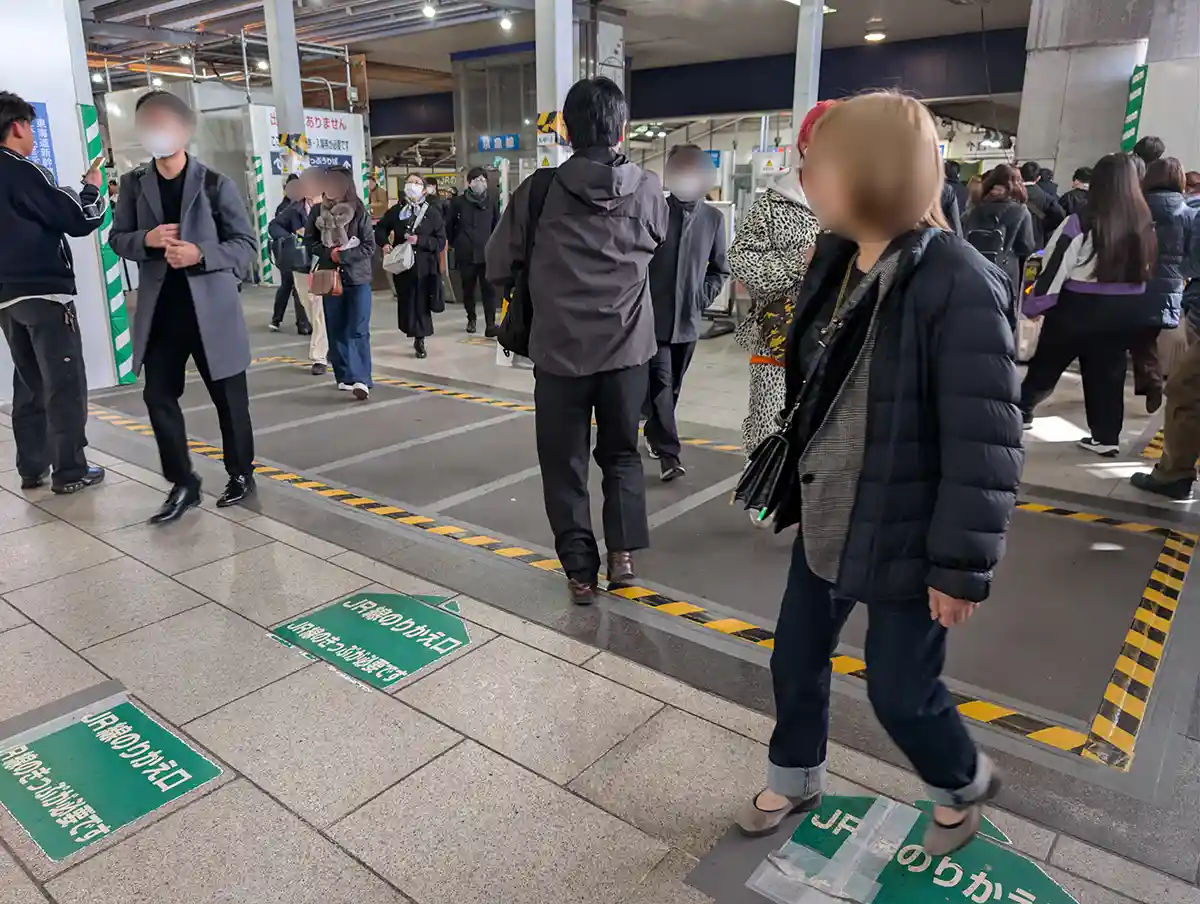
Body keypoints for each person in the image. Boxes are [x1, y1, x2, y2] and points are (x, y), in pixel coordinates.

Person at [732, 91, 1021, 856]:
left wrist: (960, 568)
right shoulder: (833, 262)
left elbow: (985, 440)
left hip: (907, 530)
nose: (806, 178)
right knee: (795, 655)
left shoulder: (958, 282)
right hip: (829, 513)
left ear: (870, 172)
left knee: (899, 690)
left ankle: (961, 781)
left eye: (817, 165)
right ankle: (794, 774)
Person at [486, 76, 668, 605]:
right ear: (623, 128)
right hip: (628, 348)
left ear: (564, 130)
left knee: (564, 460)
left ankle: (580, 571)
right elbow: (657, 245)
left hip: (560, 352)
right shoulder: (650, 188)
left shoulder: (539, 190)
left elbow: (500, 264)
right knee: (622, 453)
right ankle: (623, 557)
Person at [110, 90, 258, 522]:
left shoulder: (215, 184)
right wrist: (147, 240)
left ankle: (241, 475)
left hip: (212, 314)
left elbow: (245, 246)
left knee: (230, 401)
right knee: (158, 396)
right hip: (161, 314)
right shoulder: (136, 185)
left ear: (184, 128)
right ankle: (184, 482)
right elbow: (118, 238)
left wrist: (201, 255)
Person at [0, 91, 106, 494]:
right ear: (17, 126)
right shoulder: (25, 170)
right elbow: (78, 219)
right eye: (29, 126)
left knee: (28, 382)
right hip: (44, 295)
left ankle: (32, 467)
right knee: (63, 383)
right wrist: (93, 189)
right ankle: (70, 471)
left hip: (6, 299)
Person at [1019, 153, 1157, 455]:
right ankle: (1106, 438)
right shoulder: (1145, 223)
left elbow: (1055, 266)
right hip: (1124, 312)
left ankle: (1021, 414)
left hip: (1077, 307)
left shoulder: (1081, 221)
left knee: (1047, 365)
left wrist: (1035, 305)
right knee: (1108, 375)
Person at [729, 102, 829, 471]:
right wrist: (797, 262)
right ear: (805, 145)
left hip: (835, 338)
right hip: (779, 334)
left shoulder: (853, 203)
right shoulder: (773, 205)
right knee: (768, 420)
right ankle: (763, 485)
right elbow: (741, 259)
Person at [644, 144, 730, 481]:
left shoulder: (713, 219)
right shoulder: (654, 211)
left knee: (672, 388)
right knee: (662, 386)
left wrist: (701, 297)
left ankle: (655, 431)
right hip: (653, 321)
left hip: (688, 322)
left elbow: (719, 269)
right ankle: (670, 456)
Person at [304, 165, 376, 398]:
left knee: (358, 328)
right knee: (336, 329)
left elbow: (368, 247)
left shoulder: (359, 211)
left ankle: (362, 379)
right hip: (329, 278)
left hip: (357, 278)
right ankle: (344, 376)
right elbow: (309, 242)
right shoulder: (317, 212)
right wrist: (328, 253)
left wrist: (342, 255)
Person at [1135, 157, 1199, 412]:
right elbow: (1195, 260)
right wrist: (1176, 273)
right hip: (1170, 288)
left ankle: (1149, 381)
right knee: (1148, 335)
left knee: (1136, 337)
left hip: (1132, 282)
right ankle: (1150, 382)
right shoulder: (1189, 214)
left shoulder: (1136, 208)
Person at [378, 173, 446, 359]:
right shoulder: (397, 211)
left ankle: (420, 339)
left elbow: (440, 242)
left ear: (424, 189)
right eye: (409, 182)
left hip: (425, 267)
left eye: (417, 183)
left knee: (422, 302)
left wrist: (420, 240)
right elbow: (381, 228)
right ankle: (412, 331)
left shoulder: (432, 213)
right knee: (407, 301)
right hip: (403, 266)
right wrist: (384, 244)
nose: (412, 186)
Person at [269, 167, 327, 375]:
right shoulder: (294, 209)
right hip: (301, 265)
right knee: (308, 305)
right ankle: (325, 344)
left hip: (323, 264)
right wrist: (292, 235)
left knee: (319, 306)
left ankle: (319, 356)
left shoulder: (332, 206)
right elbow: (274, 227)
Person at [963, 163, 1036, 304]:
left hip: (974, 269)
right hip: (1005, 271)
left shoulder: (975, 209)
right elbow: (1026, 245)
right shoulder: (1020, 211)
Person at [446, 166, 499, 335]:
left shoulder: (491, 202)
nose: (480, 183)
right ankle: (471, 319)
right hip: (466, 253)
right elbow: (449, 226)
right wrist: (457, 242)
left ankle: (491, 324)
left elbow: (497, 226)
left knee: (489, 289)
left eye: (483, 179)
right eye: (476, 180)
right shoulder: (458, 203)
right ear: (469, 183)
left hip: (486, 253)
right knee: (468, 288)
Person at [268, 173, 311, 336]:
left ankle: (307, 324)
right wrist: (291, 236)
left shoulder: (325, 207)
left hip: (313, 257)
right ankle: (281, 319)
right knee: (291, 287)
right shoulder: (289, 207)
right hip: (293, 255)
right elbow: (275, 226)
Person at [1020, 161, 1065, 248]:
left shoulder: (1011, 194)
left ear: (1020, 176)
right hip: (1036, 242)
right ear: (1038, 178)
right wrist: (1044, 226)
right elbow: (1060, 215)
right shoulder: (1045, 197)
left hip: (1013, 245)